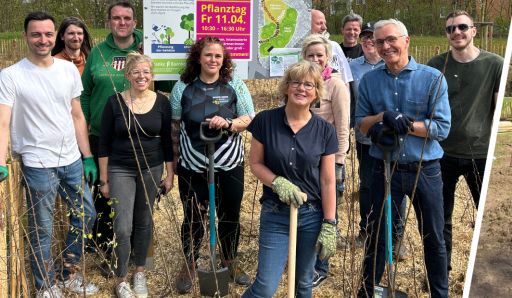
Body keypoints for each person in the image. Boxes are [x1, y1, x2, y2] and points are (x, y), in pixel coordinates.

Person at [0, 11, 99, 298]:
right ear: (25, 36)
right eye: (36, 34)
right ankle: (46, 286)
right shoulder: (11, 76)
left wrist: (86, 156)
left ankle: (68, 274)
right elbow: (0, 123)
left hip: (71, 161)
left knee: (86, 214)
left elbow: (76, 115)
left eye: (48, 34)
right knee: (42, 228)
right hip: (37, 163)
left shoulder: (66, 70)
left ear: (56, 36)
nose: (42, 39)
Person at [356, 19, 451, 298]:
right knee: (378, 237)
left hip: (425, 169)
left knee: (433, 237)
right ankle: (367, 292)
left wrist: (407, 125)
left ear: (406, 41)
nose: (386, 46)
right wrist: (383, 117)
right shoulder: (370, 81)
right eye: (379, 42)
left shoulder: (432, 78)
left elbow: (442, 128)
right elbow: (361, 123)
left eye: (391, 40)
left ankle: (439, 293)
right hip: (384, 168)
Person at [242, 60, 338, 298]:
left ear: (316, 92)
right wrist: (276, 181)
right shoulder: (265, 120)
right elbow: (255, 164)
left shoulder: (325, 130)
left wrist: (330, 223)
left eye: (309, 85)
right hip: (276, 213)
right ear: (286, 87)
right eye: (296, 83)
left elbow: (327, 182)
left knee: (304, 283)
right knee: (265, 287)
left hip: (311, 215)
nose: (301, 89)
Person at [170, 36, 256, 293]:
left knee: (230, 215)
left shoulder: (235, 85)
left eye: (218, 56)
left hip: (229, 163)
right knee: (193, 217)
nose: (213, 60)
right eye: (208, 55)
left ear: (224, 60)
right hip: (192, 163)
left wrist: (229, 124)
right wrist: (175, 158)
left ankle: (229, 261)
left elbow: (249, 118)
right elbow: (175, 124)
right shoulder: (182, 87)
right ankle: (190, 264)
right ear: (198, 57)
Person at [427, 10, 504, 275]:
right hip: (441, 154)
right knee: (439, 219)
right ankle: (441, 274)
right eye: (450, 29)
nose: (456, 32)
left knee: (486, 216)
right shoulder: (435, 65)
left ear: (473, 31)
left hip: (480, 154)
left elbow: (497, 108)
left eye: (461, 27)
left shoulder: (495, 64)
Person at [98, 52, 175, 298]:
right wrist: (104, 179)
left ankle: (139, 271)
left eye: (146, 72)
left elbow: (167, 141)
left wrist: (170, 174)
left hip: (151, 168)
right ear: (127, 75)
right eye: (136, 72)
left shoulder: (162, 102)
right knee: (122, 226)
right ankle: (121, 278)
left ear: (152, 76)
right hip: (120, 168)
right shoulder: (114, 102)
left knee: (144, 220)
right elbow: (104, 142)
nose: (141, 76)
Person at [81, 1, 143, 256]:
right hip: (100, 136)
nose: (122, 22)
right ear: (109, 23)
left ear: (135, 23)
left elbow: (169, 84)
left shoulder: (146, 49)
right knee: (103, 191)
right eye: (116, 18)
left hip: (137, 136)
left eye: (127, 18)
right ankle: (105, 245)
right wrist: (83, 128)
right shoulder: (97, 52)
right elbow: (85, 93)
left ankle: (134, 248)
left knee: (135, 194)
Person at [349, 22, 408, 260]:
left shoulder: (392, 63)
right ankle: (368, 231)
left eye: (372, 38)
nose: (368, 42)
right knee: (367, 186)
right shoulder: (352, 66)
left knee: (396, 188)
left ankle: (396, 237)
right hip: (366, 138)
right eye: (365, 38)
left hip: (394, 140)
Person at [299, 35, 350, 288]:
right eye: (311, 55)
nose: (316, 59)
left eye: (320, 55)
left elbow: (343, 126)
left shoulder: (335, 86)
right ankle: (304, 260)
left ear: (328, 57)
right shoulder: (300, 83)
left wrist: (338, 162)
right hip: (302, 162)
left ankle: (321, 267)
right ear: (304, 57)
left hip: (327, 162)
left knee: (326, 213)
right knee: (307, 211)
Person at [310, 9, 352, 84]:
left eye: (324, 23)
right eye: (319, 23)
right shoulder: (298, 50)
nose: (324, 28)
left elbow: (346, 80)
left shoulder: (334, 46)